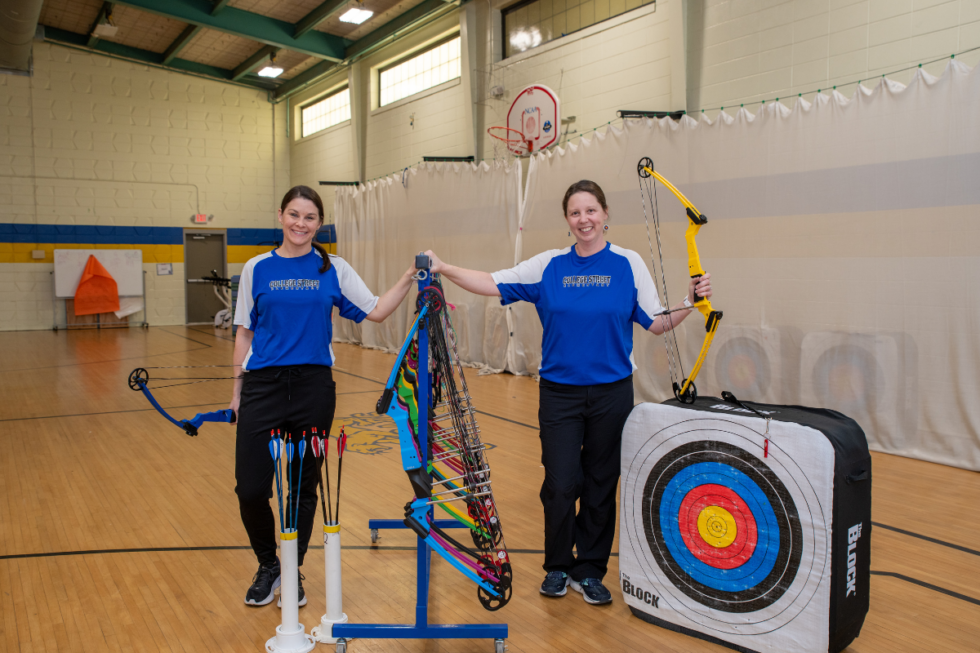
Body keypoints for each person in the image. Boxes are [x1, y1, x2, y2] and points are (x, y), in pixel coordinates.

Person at [423, 179, 712, 605]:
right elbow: (491, 281)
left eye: (591, 210)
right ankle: (557, 565)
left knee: (600, 482)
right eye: (575, 213)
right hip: (560, 395)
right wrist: (444, 268)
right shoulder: (548, 266)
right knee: (560, 484)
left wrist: (690, 301)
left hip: (612, 393)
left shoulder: (628, 264)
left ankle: (590, 569)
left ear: (605, 214)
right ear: (567, 220)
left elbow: (656, 322)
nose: (584, 219)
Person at [230, 185, 415, 607]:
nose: (300, 224)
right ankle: (268, 564)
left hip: (314, 389)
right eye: (294, 215)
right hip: (263, 387)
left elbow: (376, 310)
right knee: (251, 489)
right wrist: (236, 393)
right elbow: (244, 332)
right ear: (280, 216)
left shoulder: (333, 268)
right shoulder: (256, 268)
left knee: (303, 487)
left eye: (309, 217)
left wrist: (409, 276)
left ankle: (291, 569)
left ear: (319, 223)